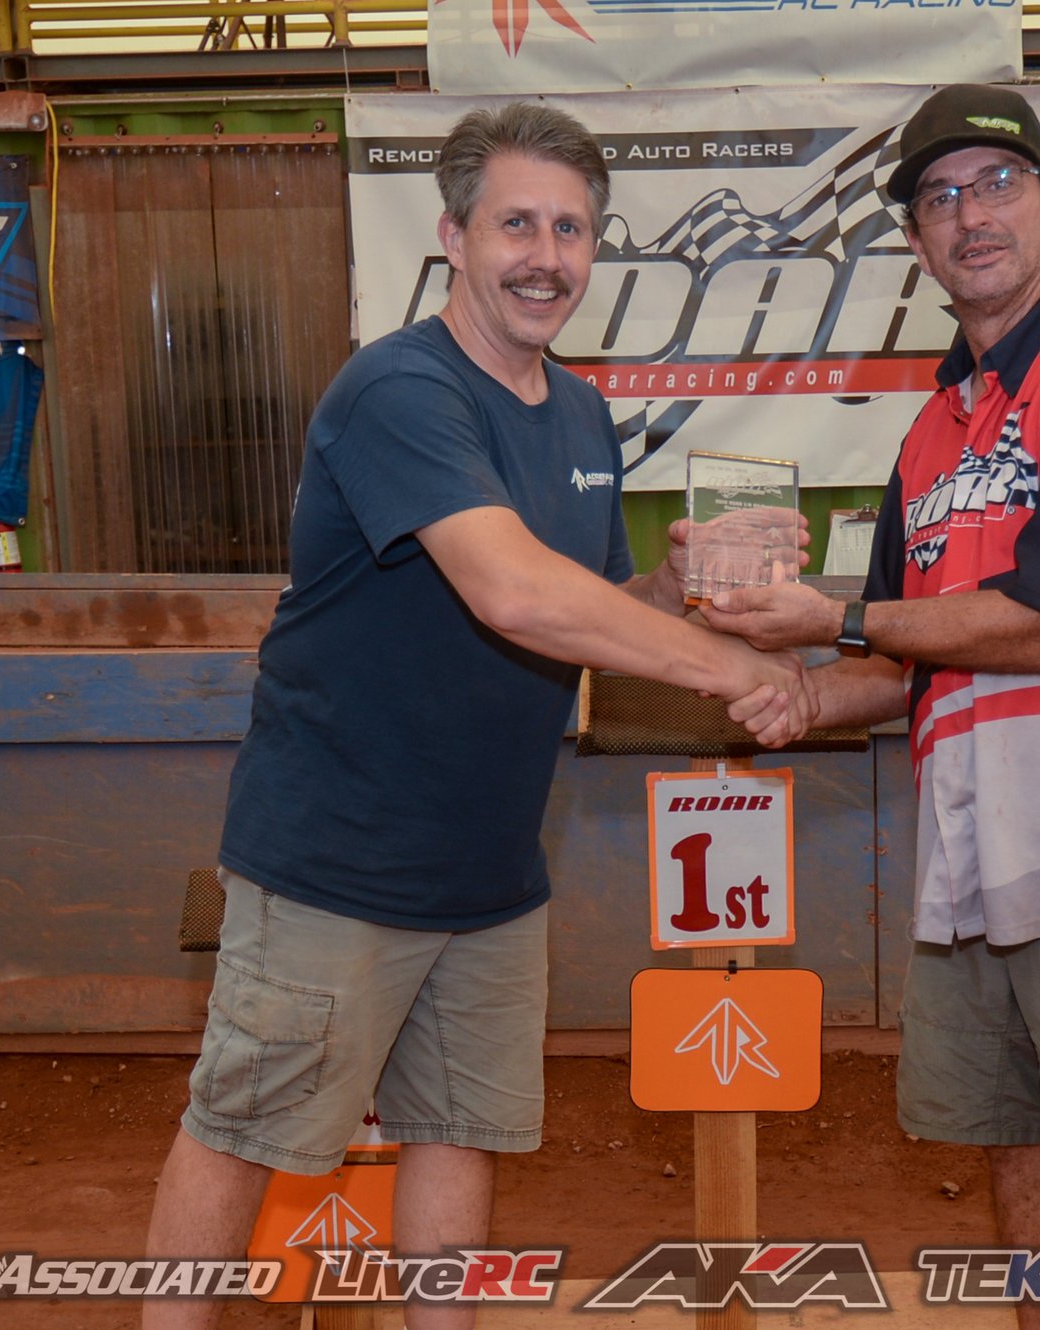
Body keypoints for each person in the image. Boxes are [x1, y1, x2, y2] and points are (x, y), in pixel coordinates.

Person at [141, 103, 816, 1330]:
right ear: (453, 236)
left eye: (571, 229)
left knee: (459, 1132)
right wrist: (730, 668)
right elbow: (511, 591)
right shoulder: (400, 388)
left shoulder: (580, 415)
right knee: (241, 1131)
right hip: (338, 864)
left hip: (492, 873)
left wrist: (675, 587)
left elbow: (587, 609)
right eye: (516, 225)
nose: (545, 256)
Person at [700, 84, 1040, 1330]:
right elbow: (902, 655)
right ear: (914, 240)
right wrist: (786, 687)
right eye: (938, 198)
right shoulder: (929, 435)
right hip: (971, 867)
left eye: (998, 184)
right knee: (1018, 1158)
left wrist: (829, 618)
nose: (971, 215)